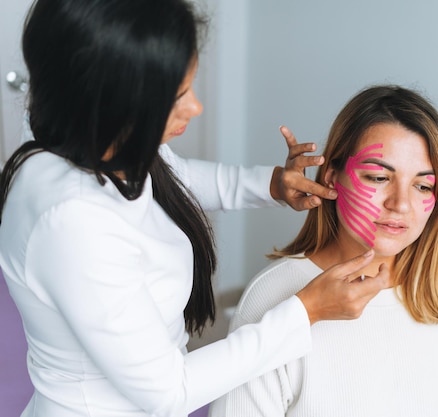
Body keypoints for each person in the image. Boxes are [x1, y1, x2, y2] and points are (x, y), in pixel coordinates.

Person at [0, 1, 389, 416]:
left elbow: (172, 176)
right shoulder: (72, 221)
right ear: (109, 99)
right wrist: (306, 311)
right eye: (177, 95)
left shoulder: (87, 132)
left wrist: (271, 183)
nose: (195, 108)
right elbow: (170, 391)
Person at [209, 85, 438, 417]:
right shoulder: (272, 294)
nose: (400, 204)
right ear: (331, 177)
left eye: (422, 185)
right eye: (377, 177)